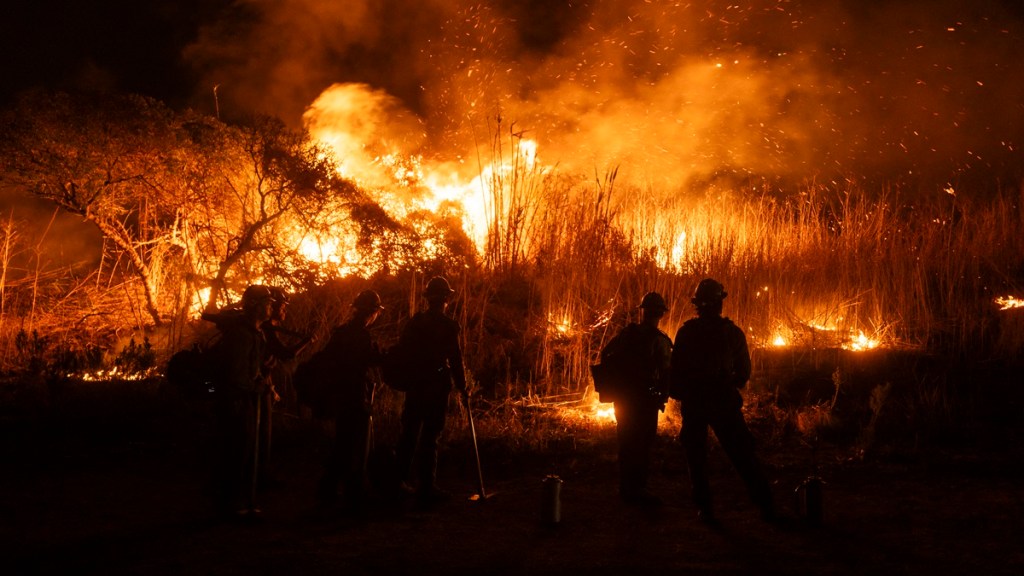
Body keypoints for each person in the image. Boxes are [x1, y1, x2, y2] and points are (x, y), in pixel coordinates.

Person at [670, 278, 775, 525]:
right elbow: (743, 373)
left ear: (697, 305)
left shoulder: (687, 332)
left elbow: (674, 372)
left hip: (695, 401)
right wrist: (726, 384)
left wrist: (684, 392)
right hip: (722, 401)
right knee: (741, 453)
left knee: (696, 457)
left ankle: (705, 509)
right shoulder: (732, 333)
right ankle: (765, 505)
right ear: (720, 303)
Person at [394, 276, 468, 506]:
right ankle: (426, 487)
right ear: (446, 299)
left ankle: (398, 482)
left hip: (416, 385)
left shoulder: (415, 323)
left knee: (409, 433)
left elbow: (402, 352)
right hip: (436, 386)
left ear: (428, 300)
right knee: (430, 436)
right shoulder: (448, 326)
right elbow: (455, 359)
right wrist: (462, 387)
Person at [599, 292, 673, 507]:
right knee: (643, 444)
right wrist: (662, 396)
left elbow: (606, 355)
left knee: (626, 441)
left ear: (643, 311)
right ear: (660, 313)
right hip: (645, 401)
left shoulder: (626, 334)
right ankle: (638, 489)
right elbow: (667, 373)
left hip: (623, 399)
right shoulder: (660, 340)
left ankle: (625, 487)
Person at [316, 289, 384, 512]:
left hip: (340, 394)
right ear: (372, 312)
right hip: (355, 395)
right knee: (355, 445)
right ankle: (354, 492)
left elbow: (328, 359)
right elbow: (366, 361)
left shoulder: (341, 331)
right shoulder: (361, 335)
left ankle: (329, 487)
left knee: (343, 443)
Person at [210, 284, 273, 520]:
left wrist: (261, 373)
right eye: (267, 303)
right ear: (255, 306)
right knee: (234, 451)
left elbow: (250, 367)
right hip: (234, 402)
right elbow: (235, 375)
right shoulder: (241, 335)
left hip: (244, 400)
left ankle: (237, 500)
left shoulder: (257, 333)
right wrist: (256, 387)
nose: (271, 307)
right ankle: (229, 503)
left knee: (244, 450)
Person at [258, 287, 314, 486]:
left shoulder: (266, 328)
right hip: (256, 387)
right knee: (262, 431)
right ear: (271, 307)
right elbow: (285, 354)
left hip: (262, 384)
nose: (284, 312)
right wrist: (306, 342)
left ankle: (258, 473)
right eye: (282, 307)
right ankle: (259, 476)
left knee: (262, 430)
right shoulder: (265, 330)